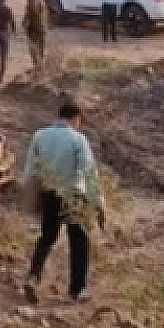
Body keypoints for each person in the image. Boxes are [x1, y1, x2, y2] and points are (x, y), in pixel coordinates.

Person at [22, 98, 106, 304]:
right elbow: (89, 172)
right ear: (76, 119)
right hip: (73, 196)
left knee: (47, 237)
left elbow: (31, 170)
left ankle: (33, 276)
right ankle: (76, 291)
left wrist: (30, 197)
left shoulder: (39, 136)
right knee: (78, 242)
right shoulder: (78, 139)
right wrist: (99, 203)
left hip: (49, 193)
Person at [22, 0, 48, 71]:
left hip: (34, 30)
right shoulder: (42, 3)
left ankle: (36, 65)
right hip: (43, 28)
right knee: (41, 48)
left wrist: (24, 25)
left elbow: (28, 18)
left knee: (32, 48)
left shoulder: (30, 5)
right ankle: (41, 65)